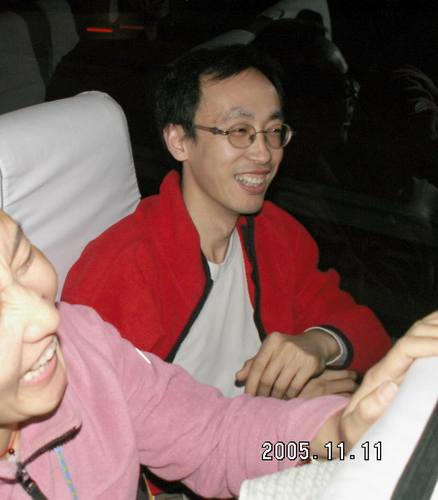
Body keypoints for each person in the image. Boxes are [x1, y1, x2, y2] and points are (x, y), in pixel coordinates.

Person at [0, 148, 430, 499]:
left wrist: (343, 434)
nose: (45, 313)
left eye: (22, 256)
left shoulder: (81, 344)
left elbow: (215, 438)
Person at [62, 44, 391, 404]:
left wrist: (319, 344)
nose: (264, 153)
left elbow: (369, 333)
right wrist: (282, 415)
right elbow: (99, 419)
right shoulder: (123, 265)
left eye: (273, 130)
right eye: (239, 130)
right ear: (179, 141)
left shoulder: (277, 234)